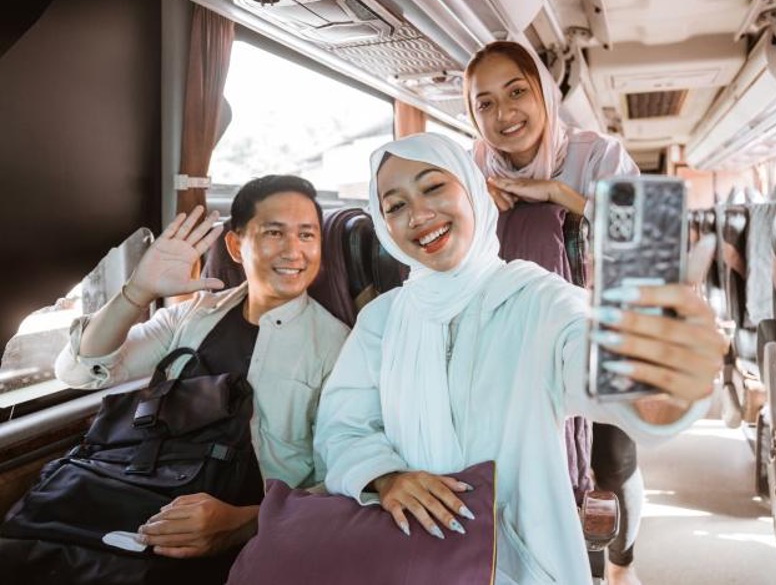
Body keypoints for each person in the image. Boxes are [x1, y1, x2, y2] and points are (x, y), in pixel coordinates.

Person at [314, 133, 727, 585]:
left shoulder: (539, 298)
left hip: (525, 560)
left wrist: (667, 374)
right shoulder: (381, 319)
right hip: (414, 558)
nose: (419, 214)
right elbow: (343, 427)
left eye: (434, 187)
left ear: (472, 189)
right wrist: (386, 476)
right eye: (395, 206)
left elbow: (605, 377)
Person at [55, 175, 349, 560]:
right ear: (235, 245)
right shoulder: (193, 314)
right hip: (143, 492)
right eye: (274, 233)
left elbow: (344, 479)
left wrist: (244, 522)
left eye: (307, 235)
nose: (294, 251)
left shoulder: (339, 346)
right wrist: (138, 291)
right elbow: (80, 369)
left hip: (251, 535)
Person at [465, 39, 644, 584]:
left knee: (611, 461)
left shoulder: (598, 154)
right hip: (521, 337)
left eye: (516, 92)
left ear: (543, 93)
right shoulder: (474, 167)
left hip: (606, 325)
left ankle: (623, 562)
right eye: (486, 104)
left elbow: (650, 238)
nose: (504, 114)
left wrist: (558, 195)